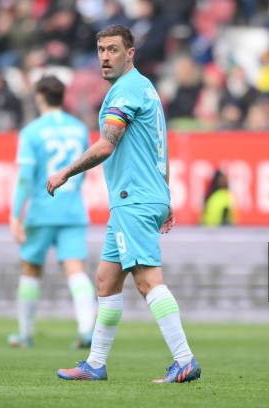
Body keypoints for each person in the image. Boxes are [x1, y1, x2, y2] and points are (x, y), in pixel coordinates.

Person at [49, 25, 200, 383]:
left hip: (133, 199)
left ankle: (184, 359)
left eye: (113, 50)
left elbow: (107, 144)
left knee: (147, 281)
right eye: (101, 49)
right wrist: (165, 196)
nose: (105, 56)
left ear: (130, 53)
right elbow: (158, 145)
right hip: (140, 198)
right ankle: (95, 365)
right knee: (105, 280)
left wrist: (67, 172)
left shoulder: (125, 92)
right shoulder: (145, 88)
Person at [8, 76, 96, 349]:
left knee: (31, 268)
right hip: (72, 210)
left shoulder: (32, 132)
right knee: (76, 269)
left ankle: (24, 334)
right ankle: (86, 330)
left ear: (40, 97)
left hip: (42, 209)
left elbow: (25, 177)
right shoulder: (79, 129)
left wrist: (14, 215)